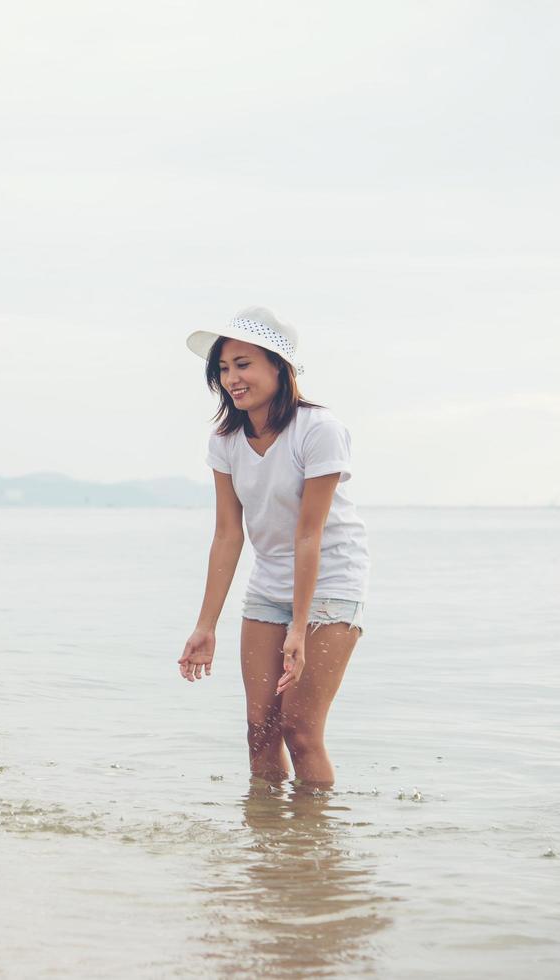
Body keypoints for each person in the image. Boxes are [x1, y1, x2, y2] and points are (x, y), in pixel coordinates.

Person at [176, 306, 370, 788]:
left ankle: (311, 854)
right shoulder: (226, 439)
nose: (232, 379)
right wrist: (205, 625)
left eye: (243, 364)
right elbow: (227, 533)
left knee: (300, 731)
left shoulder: (319, 430)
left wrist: (299, 629)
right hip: (268, 587)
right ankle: (268, 856)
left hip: (330, 583)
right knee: (259, 731)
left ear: (278, 368)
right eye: (223, 368)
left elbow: (311, 534)